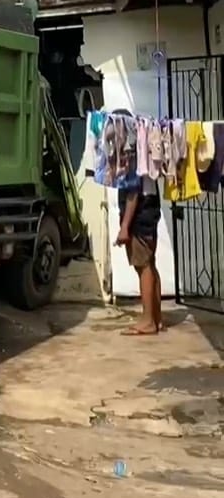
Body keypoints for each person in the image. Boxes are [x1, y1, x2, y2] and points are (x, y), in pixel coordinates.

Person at [113, 110, 162, 335]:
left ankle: (148, 321)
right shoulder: (143, 148)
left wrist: (124, 227)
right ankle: (156, 319)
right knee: (150, 264)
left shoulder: (132, 154)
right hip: (150, 211)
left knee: (143, 267)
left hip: (140, 216)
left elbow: (133, 193)